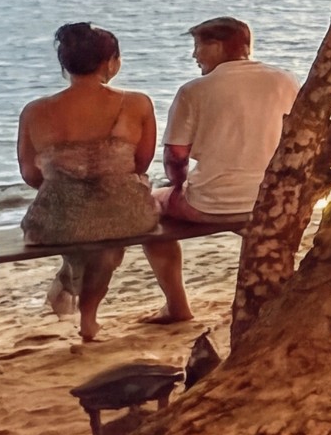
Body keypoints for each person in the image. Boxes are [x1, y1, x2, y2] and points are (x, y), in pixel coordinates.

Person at [142, 17, 298, 325]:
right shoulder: (286, 81)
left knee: (150, 207)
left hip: (213, 203)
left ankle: (177, 306)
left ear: (218, 46)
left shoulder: (194, 91)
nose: (194, 55)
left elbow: (175, 157)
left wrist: (177, 185)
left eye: (198, 46)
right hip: (273, 199)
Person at [16, 23, 159, 342]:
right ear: (111, 62)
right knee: (110, 226)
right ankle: (88, 316)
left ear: (64, 64)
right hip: (125, 215)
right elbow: (140, 164)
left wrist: (69, 184)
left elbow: (29, 174)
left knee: (81, 219)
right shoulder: (137, 104)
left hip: (54, 223)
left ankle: (71, 281)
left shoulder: (35, 111)